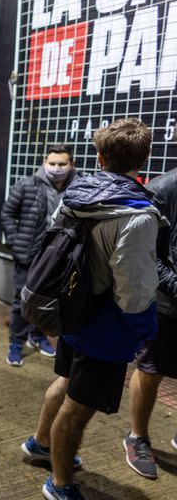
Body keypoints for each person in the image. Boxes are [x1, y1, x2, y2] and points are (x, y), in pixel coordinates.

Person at [21, 118, 164, 500]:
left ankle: (40, 444)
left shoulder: (75, 193)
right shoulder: (138, 214)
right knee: (79, 408)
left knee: (66, 380)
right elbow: (133, 288)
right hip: (104, 324)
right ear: (145, 159)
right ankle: (60, 483)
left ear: (100, 157)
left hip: (71, 307)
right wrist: (142, 327)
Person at [120, 166, 177, 479]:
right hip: (167, 304)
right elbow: (147, 252)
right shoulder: (163, 188)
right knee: (151, 368)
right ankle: (137, 437)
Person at [1, 144, 77, 366]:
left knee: (48, 301)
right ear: (45, 162)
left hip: (59, 259)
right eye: (52, 163)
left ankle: (36, 336)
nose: (56, 168)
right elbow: (7, 213)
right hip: (29, 255)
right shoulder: (28, 184)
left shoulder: (78, 189)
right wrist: (16, 243)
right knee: (21, 301)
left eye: (62, 164)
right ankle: (16, 343)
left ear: (71, 164)